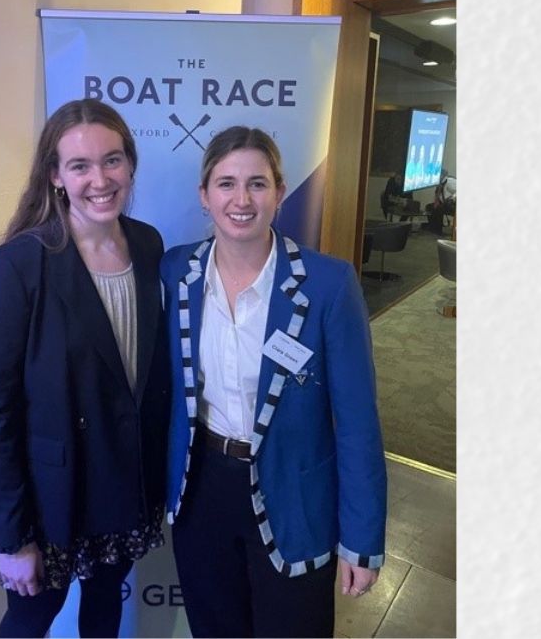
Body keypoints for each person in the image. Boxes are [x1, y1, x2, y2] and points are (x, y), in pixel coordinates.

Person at [161, 126, 388, 637]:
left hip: (295, 496)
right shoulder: (176, 273)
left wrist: (362, 538)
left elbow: (357, 424)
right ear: (204, 195)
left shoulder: (329, 285)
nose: (241, 199)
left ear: (280, 193)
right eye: (226, 183)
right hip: (202, 492)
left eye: (257, 184)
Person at [0, 98, 171, 638]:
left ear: (129, 164)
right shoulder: (18, 266)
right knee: (30, 623)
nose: (99, 179)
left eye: (112, 160)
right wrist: (11, 537)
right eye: (80, 165)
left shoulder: (149, 246)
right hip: (50, 497)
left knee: (105, 615)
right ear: (55, 175)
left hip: (124, 483)